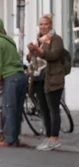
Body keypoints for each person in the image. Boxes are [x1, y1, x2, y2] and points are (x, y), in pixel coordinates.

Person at [27, 14, 66, 151]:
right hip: (39, 78)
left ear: (51, 25)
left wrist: (39, 50)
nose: (43, 27)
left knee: (53, 109)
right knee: (43, 110)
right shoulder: (39, 40)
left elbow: (54, 55)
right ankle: (48, 137)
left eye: (45, 24)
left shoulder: (56, 39)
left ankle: (54, 138)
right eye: (41, 24)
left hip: (52, 78)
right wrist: (31, 51)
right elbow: (31, 59)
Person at [0, 17, 27, 147]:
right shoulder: (9, 40)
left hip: (10, 77)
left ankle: (9, 139)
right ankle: (15, 137)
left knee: (9, 108)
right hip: (21, 76)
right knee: (17, 110)